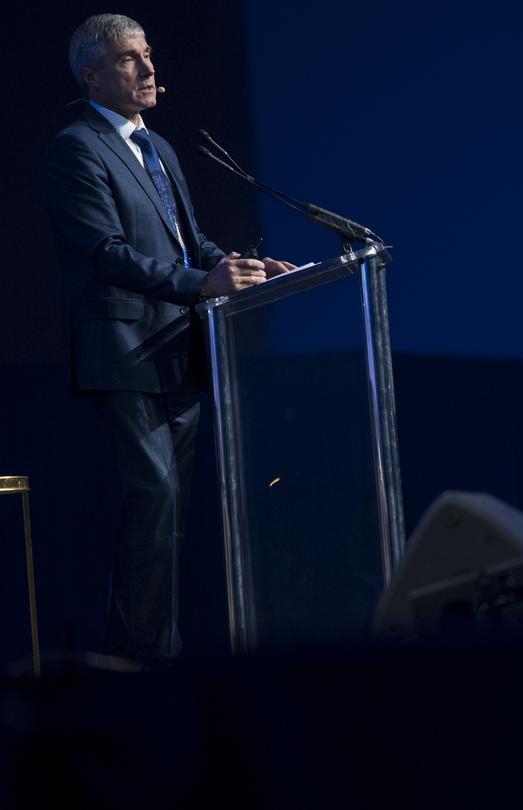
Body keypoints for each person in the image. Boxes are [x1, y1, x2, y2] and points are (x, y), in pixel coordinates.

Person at [44, 13, 295, 665]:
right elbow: (106, 254)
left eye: (149, 53)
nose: (149, 68)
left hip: (179, 353)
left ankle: (162, 660)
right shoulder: (77, 148)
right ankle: (132, 664)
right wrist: (200, 284)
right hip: (125, 355)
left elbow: (192, 244)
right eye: (130, 59)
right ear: (91, 75)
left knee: (172, 518)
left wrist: (244, 267)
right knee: (149, 508)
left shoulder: (159, 150)